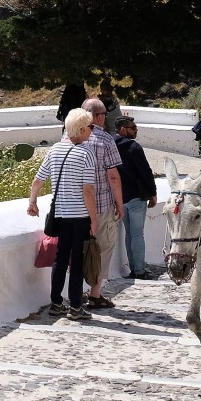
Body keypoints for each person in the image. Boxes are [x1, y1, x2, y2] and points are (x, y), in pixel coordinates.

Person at [28, 108, 99, 321]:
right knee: (76, 260)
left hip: (60, 214)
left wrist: (32, 202)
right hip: (79, 216)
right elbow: (88, 191)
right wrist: (93, 219)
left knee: (60, 258)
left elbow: (38, 180)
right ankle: (76, 306)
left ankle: (56, 303)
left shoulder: (55, 150)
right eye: (90, 127)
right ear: (82, 129)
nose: (92, 131)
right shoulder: (87, 154)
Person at [81, 97, 125, 308]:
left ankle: (76, 290)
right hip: (100, 206)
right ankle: (95, 294)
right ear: (99, 117)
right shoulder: (106, 140)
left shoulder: (69, 136)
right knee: (102, 248)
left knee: (78, 248)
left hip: (75, 206)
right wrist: (120, 203)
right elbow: (113, 177)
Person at [114, 115, 158, 279]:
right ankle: (139, 270)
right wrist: (153, 194)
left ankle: (133, 268)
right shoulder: (134, 147)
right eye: (133, 128)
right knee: (137, 234)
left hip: (120, 198)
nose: (136, 130)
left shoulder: (111, 145)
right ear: (123, 129)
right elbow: (145, 172)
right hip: (136, 197)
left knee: (129, 234)